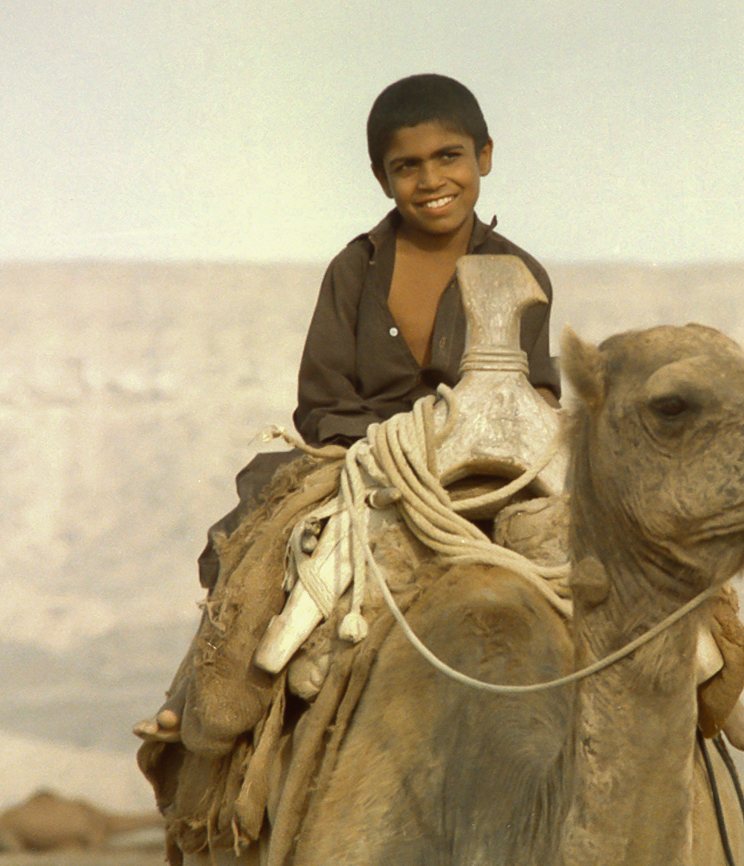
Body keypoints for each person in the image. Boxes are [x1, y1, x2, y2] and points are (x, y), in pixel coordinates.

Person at [134, 73, 560, 744]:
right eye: (407, 167)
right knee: (264, 538)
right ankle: (208, 697)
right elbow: (322, 401)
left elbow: (537, 392)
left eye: (448, 157)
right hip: (368, 461)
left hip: (488, 468)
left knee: (601, 549)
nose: (430, 180)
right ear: (382, 178)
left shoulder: (519, 271)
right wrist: (400, 441)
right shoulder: (355, 271)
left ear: (484, 156)